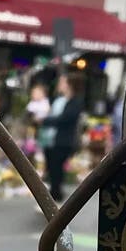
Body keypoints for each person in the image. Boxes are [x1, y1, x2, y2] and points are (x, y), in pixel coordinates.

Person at [40, 73, 85, 202]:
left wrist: (45, 120)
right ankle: (53, 195)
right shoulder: (58, 100)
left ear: (70, 85)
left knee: (56, 169)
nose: (60, 85)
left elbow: (65, 119)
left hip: (63, 141)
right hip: (51, 139)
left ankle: (56, 197)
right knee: (51, 168)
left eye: (62, 82)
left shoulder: (75, 102)